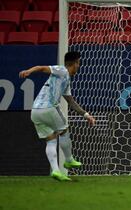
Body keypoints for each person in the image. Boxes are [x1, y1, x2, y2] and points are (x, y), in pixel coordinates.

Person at [19, 51, 96, 181]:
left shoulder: (66, 81)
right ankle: (69, 159)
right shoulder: (62, 70)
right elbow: (41, 68)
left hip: (35, 111)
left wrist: (86, 115)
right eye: (78, 63)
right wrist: (29, 71)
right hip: (48, 108)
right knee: (64, 130)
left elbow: (71, 102)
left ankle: (55, 170)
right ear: (75, 63)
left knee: (50, 139)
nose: (79, 66)